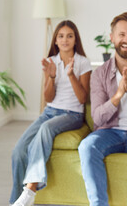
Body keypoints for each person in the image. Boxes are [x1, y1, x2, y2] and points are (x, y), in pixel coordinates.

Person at [78, 12, 127, 206]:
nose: (126, 40)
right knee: (87, 146)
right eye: (121, 35)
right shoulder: (99, 74)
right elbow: (97, 118)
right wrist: (118, 95)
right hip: (109, 132)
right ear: (112, 37)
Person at [10, 20, 91, 206]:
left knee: (46, 129)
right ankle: (15, 201)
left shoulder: (82, 62)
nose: (65, 40)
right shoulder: (51, 63)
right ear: (55, 40)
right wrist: (52, 76)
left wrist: (70, 75)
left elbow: (82, 99)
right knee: (18, 151)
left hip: (72, 114)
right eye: (61, 36)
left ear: (75, 40)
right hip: (50, 111)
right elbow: (48, 97)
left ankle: (31, 189)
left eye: (69, 36)